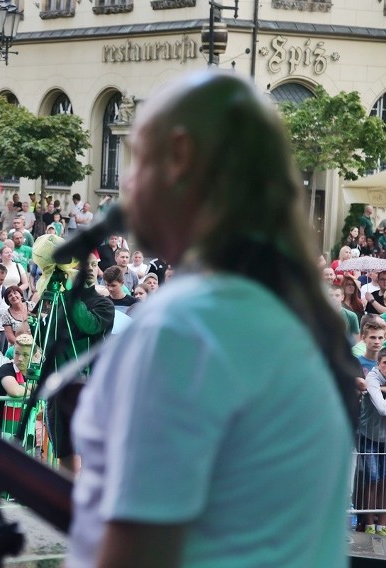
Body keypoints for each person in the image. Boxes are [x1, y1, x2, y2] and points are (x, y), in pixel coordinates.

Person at [68, 72, 356, 568]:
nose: (126, 187)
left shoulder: (184, 327)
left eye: (136, 160)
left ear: (179, 156)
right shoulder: (292, 313)